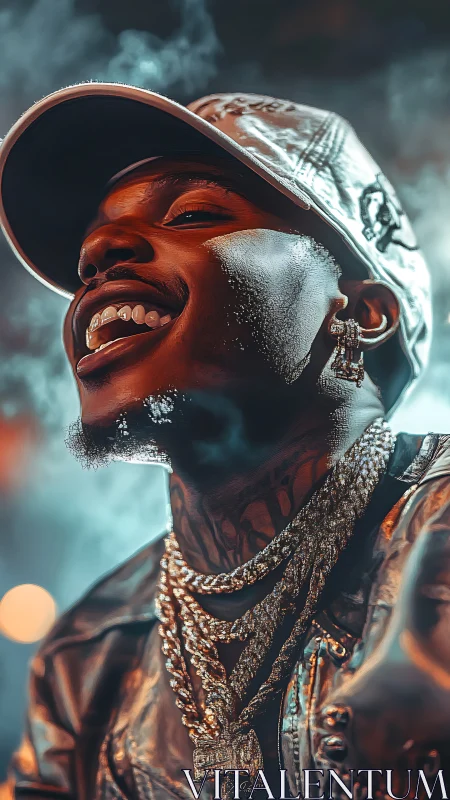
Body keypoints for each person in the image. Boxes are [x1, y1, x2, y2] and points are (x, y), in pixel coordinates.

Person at [0, 84, 449, 800]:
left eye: (196, 213)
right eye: (90, 259)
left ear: (362, 312)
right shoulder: (86, 656)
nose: (98, 251)